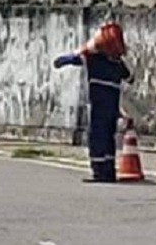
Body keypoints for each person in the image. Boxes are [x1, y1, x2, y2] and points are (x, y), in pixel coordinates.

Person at [53, 22, 132, 183]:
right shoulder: (118, 64)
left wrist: (61, 60)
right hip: (112, 107)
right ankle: (109, 172)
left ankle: (99, 172)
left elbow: (67, 59)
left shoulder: (93, 59)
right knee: (109, 138)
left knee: (97, 138)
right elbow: (130, 78)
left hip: (99, 106)